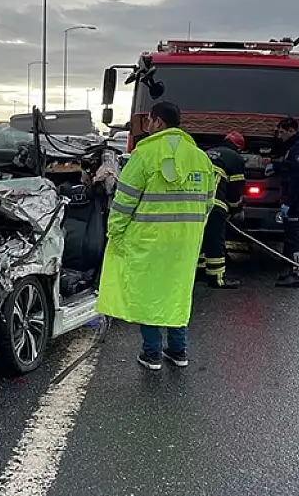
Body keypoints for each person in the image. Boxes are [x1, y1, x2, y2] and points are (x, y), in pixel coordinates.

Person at [95, 101, 216, 371]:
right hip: (185, 243)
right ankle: (178, 350)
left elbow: (124, 203)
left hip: (148, 240)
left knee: (149, 295)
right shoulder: (200, 158)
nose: (147, 126)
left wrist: (115, 234)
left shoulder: (144, 155)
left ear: (158, 122)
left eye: (149, 121)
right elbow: (208, 203)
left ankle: (152, 354)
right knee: (177, 293)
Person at [199, 131, 247, 289]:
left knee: (199, 238)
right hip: (215, 203)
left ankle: (198, 272)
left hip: (194, 204)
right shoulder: (235, 158)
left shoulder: (206, 153)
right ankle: (217, 278)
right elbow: (235, 191)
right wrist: (236, 207)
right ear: (239, 148)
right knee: (215, 240)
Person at [272, 117, 299, 288]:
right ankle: (290, 269)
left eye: (282, 132)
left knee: (295, 238)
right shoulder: (294, 147)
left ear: (291, 131)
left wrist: (288, 202)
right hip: (293, 201)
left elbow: (297, 179)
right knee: (290, 237)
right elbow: (289, 168)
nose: (280, 135)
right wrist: (276, 167)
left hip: (296, 202)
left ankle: (296, 273)